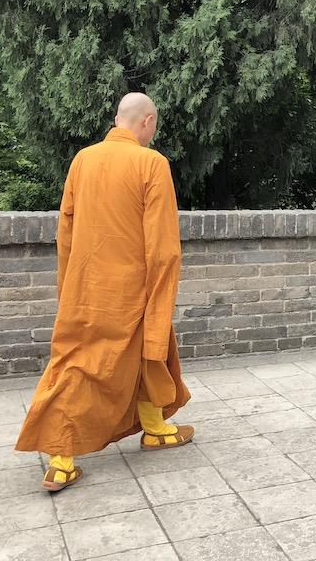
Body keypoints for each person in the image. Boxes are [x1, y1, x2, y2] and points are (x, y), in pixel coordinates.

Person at [16, 92, 193, 491]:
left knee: (80, 361)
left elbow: (66, 230)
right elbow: (162, 245)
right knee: (138, 352)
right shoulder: (152, 163)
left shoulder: (83, 160)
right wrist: (161, 294)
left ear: (118, 120)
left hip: (85, 286)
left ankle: (150, 428)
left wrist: (68, 285)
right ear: (147, 122)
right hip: (132, 288)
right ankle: (61, 459)